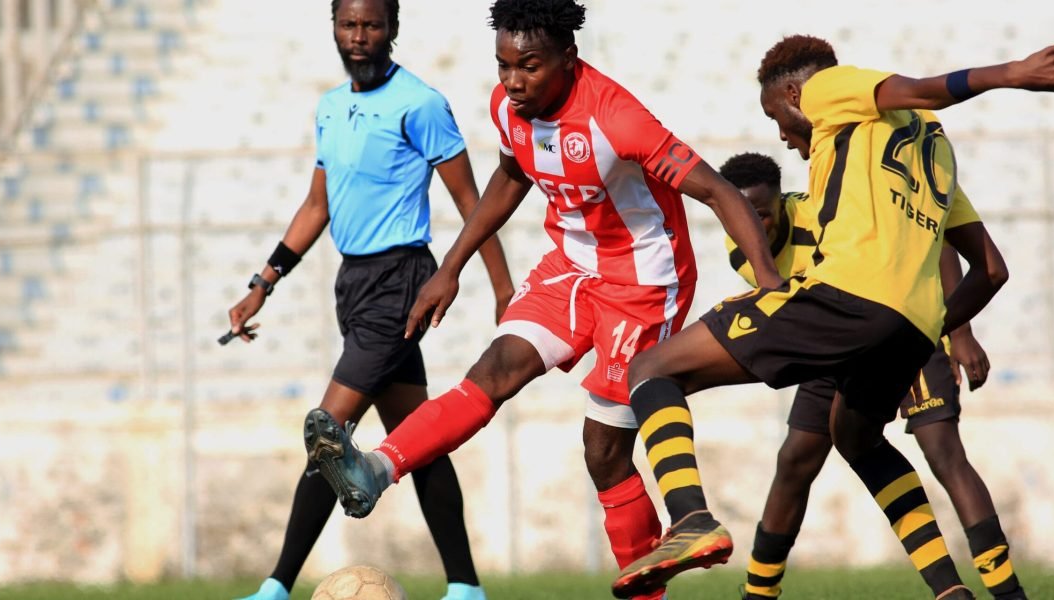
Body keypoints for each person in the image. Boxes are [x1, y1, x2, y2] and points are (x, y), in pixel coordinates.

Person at [299, 1, 778, 598]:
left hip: (645, 284)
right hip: (570, 267)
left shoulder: (618, 119)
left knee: (603, 451)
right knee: (493, 370)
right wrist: (451, 267)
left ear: (568, 60)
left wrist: (768, 281)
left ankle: (652, 586)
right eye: (504, 66)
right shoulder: (509, 107)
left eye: (529, 66)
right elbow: (510, 175)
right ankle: (374, 469)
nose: (514, 81)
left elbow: (717, 189)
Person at [612, 34, 1054, 599]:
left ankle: (691, 519)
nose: (782, 133)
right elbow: (990, 269)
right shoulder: (932, 150)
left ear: (795, 93)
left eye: (777, 115)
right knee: (856, 439)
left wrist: (1010, 72)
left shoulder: (827, 88)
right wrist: (928, 330)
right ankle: (957, 591)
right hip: (910, 330)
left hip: (847, 295)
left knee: (652, 369)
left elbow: (923, 90)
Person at [228, 1, 514, 599]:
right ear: (334, 27)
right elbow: (317, 207)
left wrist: (501, 286)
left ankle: (276, 587)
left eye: (372, 25)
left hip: (401, 280)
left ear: (393, 30)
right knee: (418, 438)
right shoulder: (331, 107)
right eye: (348, 24)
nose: (360, 37)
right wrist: (263, 283)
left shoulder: (421, 103)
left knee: (327, 432)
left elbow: (472, 202)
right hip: (353, 284)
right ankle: (465, 587)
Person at [716, 153, 1025, 600]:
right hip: (836, 346)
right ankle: (759, 593)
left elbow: (931, 244)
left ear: (783, 202)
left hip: (904, 333)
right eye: (740, 214)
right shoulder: (739, 250)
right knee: (796, 460)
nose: (752, 224)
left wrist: (960, 332)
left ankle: (1007, 592)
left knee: (942, 452)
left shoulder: (830, 213)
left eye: (761, 212)